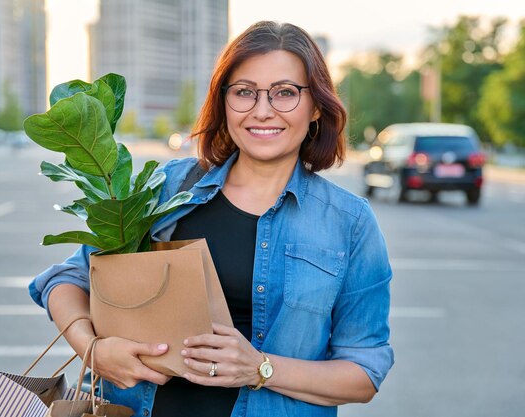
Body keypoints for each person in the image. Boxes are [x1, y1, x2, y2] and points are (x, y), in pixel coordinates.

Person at [29, 20, 393, 417]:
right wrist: (93, 349)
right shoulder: (167, 189)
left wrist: (260, 368)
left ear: (317, 106)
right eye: (244, 92)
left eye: (285, 93)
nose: (262, 111)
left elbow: (363, 373)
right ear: (223, 101)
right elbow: (66, 280)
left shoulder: (349, 223)